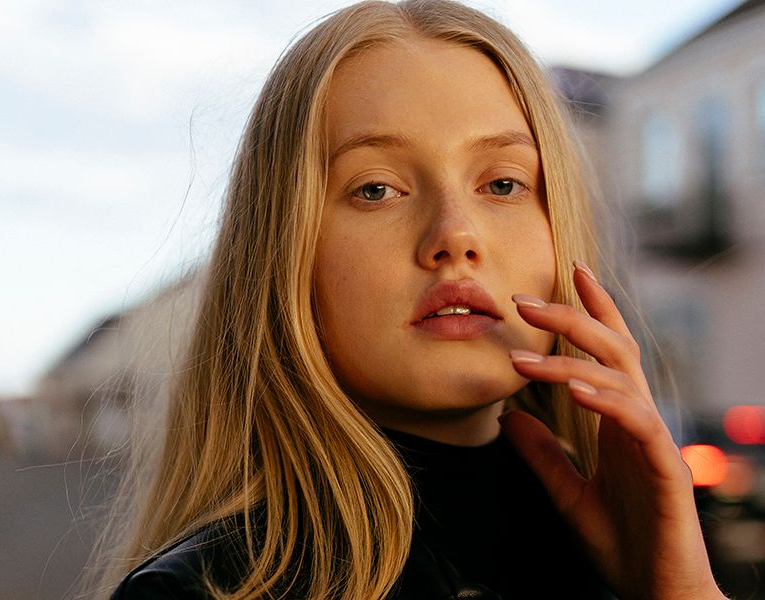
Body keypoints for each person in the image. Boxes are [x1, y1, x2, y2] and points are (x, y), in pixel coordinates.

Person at [92, 1, 727, 598]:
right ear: (283, 253)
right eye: (376, 189)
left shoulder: (625, 546)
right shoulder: (201, 591)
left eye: (503, 184)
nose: (456, 234)